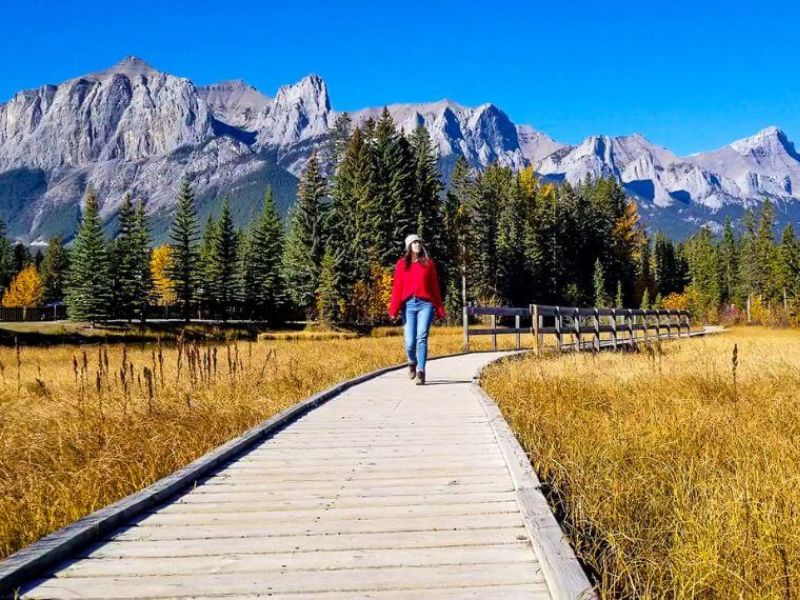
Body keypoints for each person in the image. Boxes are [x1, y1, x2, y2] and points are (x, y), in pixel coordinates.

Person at [388, 234, 446, 385]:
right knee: (409, 342)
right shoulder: (401, 264)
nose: (417, 245)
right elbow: (397, 288)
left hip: (425, 305)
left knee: (422, 337)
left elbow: (435, 288)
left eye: (419, 242)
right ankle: (411, 361)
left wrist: (439, 310)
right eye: (414, 243)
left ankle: (421, 370)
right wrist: (393, 310)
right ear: (408, 246)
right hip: (408, 306)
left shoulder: (428, 264)